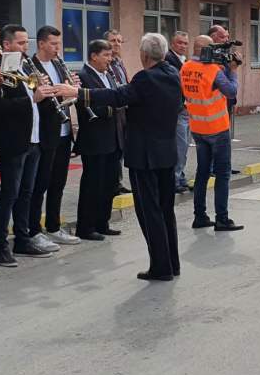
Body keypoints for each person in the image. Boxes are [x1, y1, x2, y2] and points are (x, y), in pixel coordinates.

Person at [67, 32, 185, 281]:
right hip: (166, 152)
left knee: (149, 212)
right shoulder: (173, 74)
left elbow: (118, 96)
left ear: (144, 55)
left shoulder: (145, 77)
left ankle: (161, 267)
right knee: (165, 210)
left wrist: (77, 92)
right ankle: (171, 263)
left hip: (145, 155)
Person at [0, 24, 62, 265]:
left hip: (34, 138)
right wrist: (33, 99)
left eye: (25, 43)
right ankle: (0, 246)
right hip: (14, 141)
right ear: (6, 45)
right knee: (9, 194)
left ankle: (22, 238)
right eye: (20, 44)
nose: (24, 48)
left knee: (26, 193)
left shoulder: (25, 65)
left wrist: (42, 91)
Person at [181, 35, 242, 232]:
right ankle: (222, 219)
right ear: (207, 49)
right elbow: (231, 91)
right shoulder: (212, 70)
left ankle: (199, 216)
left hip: (198, 128)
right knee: (223, 174)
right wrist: (232, 70)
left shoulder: (186, 67)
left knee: (202, 173)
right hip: (217, 128)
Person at [27, 25, 80, 246]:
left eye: (59, 43)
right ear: (41, 44)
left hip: (64, 130)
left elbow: (65, 90)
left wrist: (72, 87)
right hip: (46, 131)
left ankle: (54, 226)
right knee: (41, 183)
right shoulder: (30, 66)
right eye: (53, 44)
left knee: (58, 182)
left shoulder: (58, 64)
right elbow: (32, 99)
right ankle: (34, 229)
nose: (58, 48)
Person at [74, 38, 124, 241]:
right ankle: (86, 227)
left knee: (110, 184)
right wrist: (113, 107)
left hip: (113, 138)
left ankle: (103, 222)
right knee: (92, 185)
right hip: (95, 139)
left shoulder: (108, 74)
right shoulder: (82, 76)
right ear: (94, 56)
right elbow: (86, 106)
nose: (109, 59)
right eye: (106, 55)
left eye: (110, 55)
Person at [164, 30, 191, 193]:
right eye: (179, 43)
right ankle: (174, 179)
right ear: (172, 44)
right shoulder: (169, 59)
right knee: (180, 146)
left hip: (187, 109)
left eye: (185, 43)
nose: (182, 46)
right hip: (177, 109)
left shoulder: (184, 60)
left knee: (185, 145)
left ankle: (180, 176)